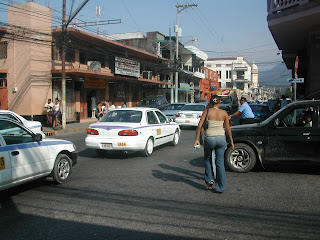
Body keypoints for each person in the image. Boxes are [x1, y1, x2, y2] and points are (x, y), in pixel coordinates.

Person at [194, 95, 234, 193]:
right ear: (219, 102)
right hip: (221, 139)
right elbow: (228, 129)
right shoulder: (224, 113)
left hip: (210, 138)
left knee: (207, 159)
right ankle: (221, 187)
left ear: (211, 102)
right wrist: (232, 141)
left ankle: (209, 179)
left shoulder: (207, 111)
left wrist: (197, 139)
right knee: (220, 162)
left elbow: (199, 126)